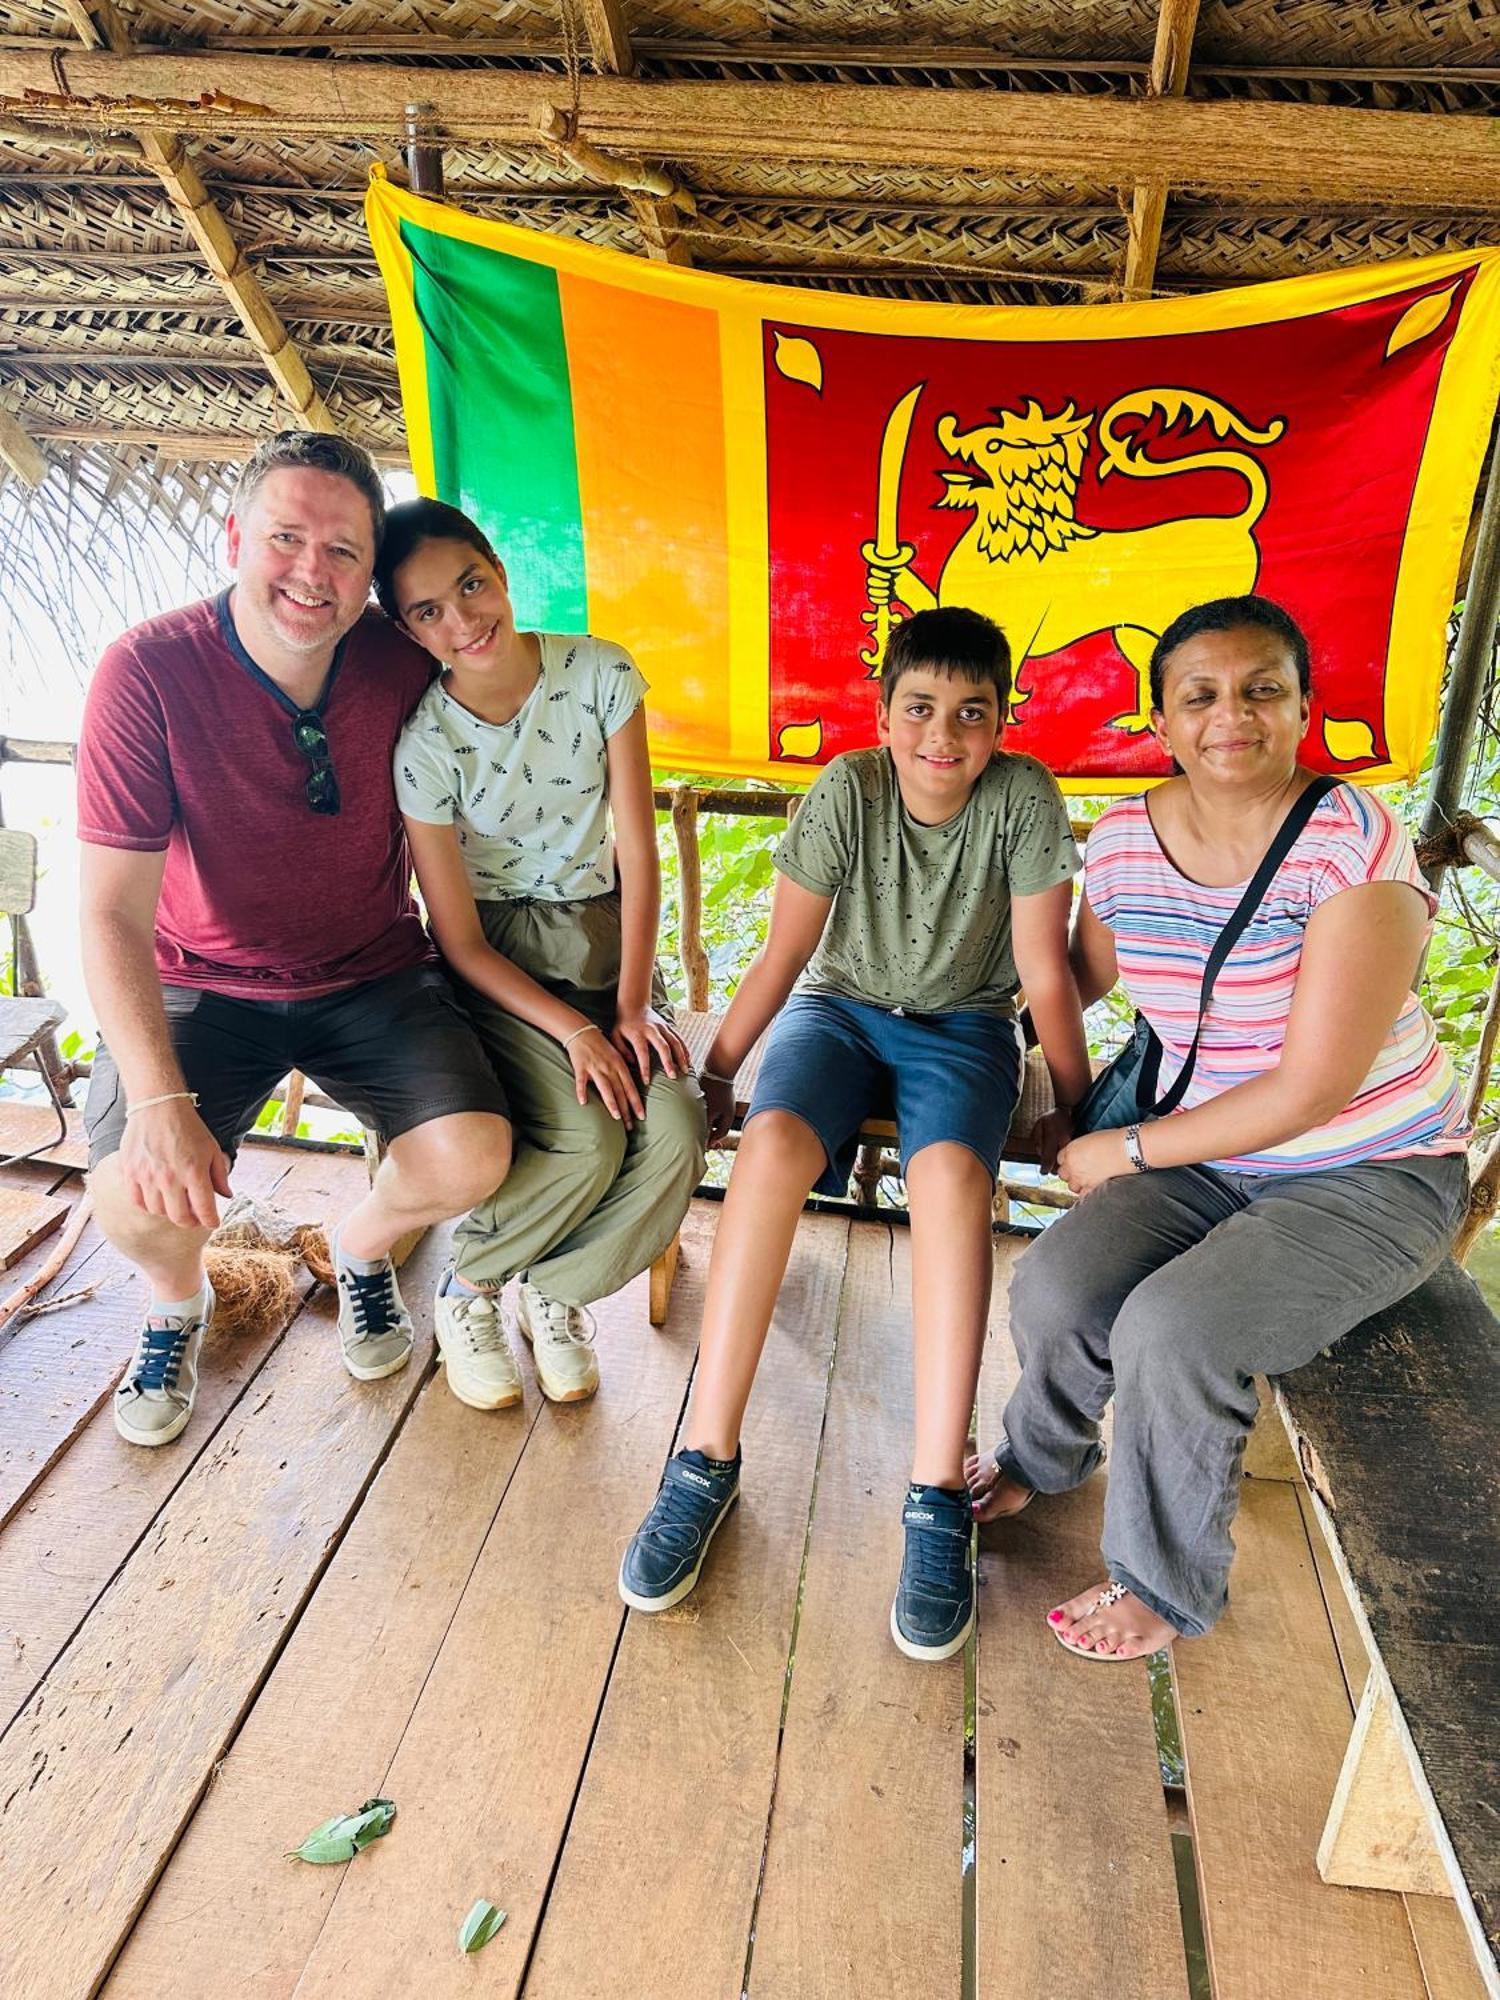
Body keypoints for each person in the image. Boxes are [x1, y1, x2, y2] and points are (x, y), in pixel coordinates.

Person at [967, 596, 1470, 1661]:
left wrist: (1125, 1146)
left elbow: (1312, 1090)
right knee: (1059, 1284)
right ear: (1160, 720)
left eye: (1261, 691)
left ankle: (1166, 1580)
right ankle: (1042, 1456)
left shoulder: (1354, 842)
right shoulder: (1129, 838)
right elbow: (1087, 973)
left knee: (1175, 1328)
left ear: (1303, 709)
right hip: (1212, 1150)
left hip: (1370, 1169)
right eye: (1199, 695)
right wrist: (953, 1016)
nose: (1229, 716)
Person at [618, 605, 1093, 1661]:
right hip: (835, 1008)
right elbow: (787, 954)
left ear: (1003, 721)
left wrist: (1074, 1102)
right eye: (920, 707)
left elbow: (1045, 970)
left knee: (952, 1185)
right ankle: (704, 1454)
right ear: (883, 715)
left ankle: (934, 1491)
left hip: (966, 1024)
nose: (943, 733)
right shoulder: (848, 787)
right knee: (774, 1152)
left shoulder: (1021, 798)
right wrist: (718, 1072)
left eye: (972, 712)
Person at [79, 432, 512, 1450]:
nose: (311, 571)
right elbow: (107, 911)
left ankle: (359, 1248)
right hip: (200, 979)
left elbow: (525, 717)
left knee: (473, 1153)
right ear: (236, 537)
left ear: (372, 575)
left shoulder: (401, 660)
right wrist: (155, 1101)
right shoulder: (146, 671)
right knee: (132, 1196)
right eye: (286, 537)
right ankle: (176, 1303)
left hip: (372, 969)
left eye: (344, 552)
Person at [374, 499, 706, 1411]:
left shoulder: (600, 674)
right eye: (428, 612)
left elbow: (637, 854)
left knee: (678, 1128)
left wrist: (633, 1008)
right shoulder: (425, 749)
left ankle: (552, 1294)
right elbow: (461, 940)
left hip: (611, 945)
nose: (463, 620)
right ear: (407, 631)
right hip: (503, 969)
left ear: (501, 571)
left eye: (471, 585)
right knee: (590, 1135)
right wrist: (574, 1032)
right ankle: (471, 1288)